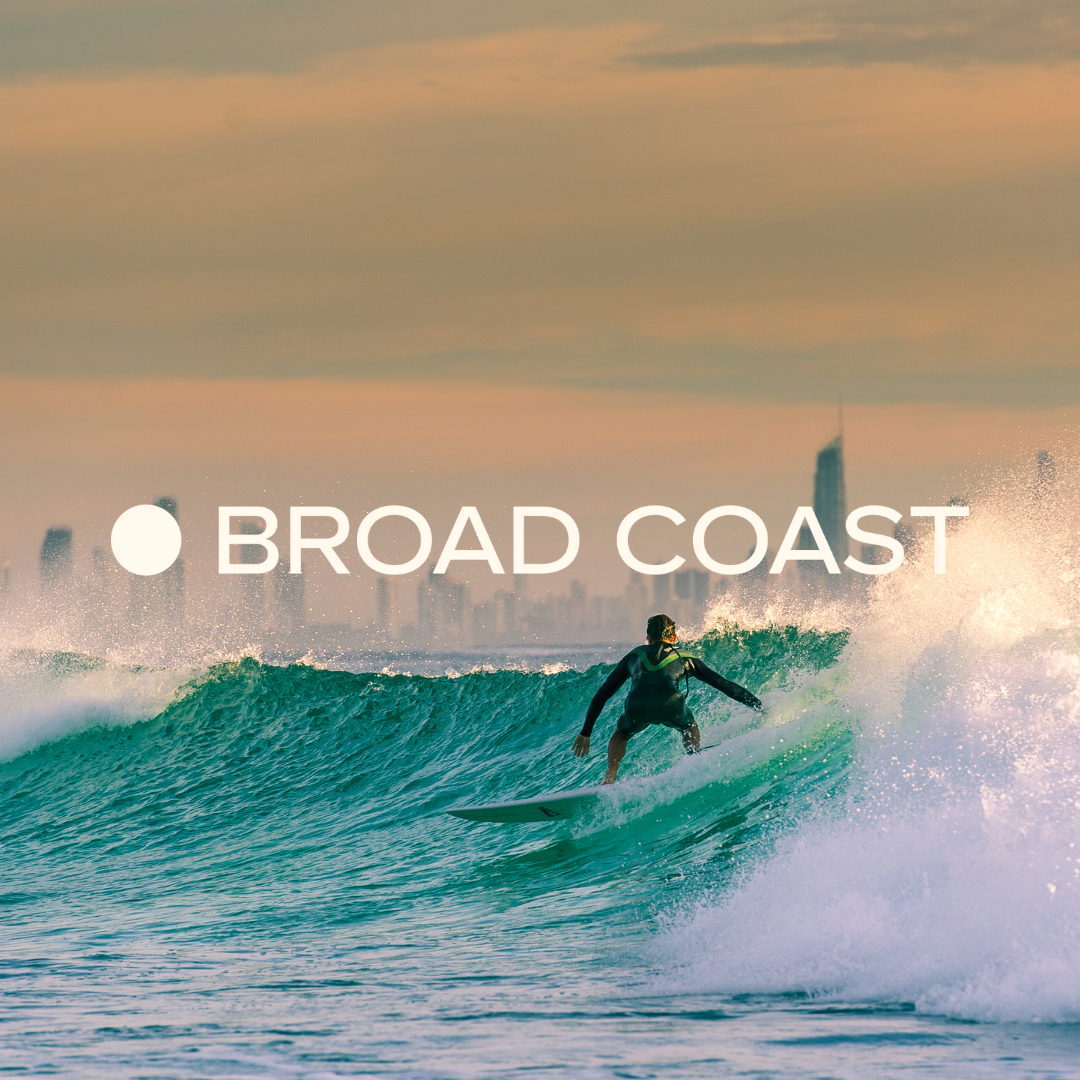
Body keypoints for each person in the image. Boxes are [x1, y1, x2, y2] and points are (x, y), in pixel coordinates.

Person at [572, 613, 763, 784]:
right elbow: (724, 685)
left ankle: (609, 777)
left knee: (620, 735)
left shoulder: (634, 656)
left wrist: (585, 732)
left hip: (637, 707)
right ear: (674, 638)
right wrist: (758, 706)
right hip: (672, 705)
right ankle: (693, 759)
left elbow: (602, 694)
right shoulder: (685, 656)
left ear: (648, 637)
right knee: (689, 726)